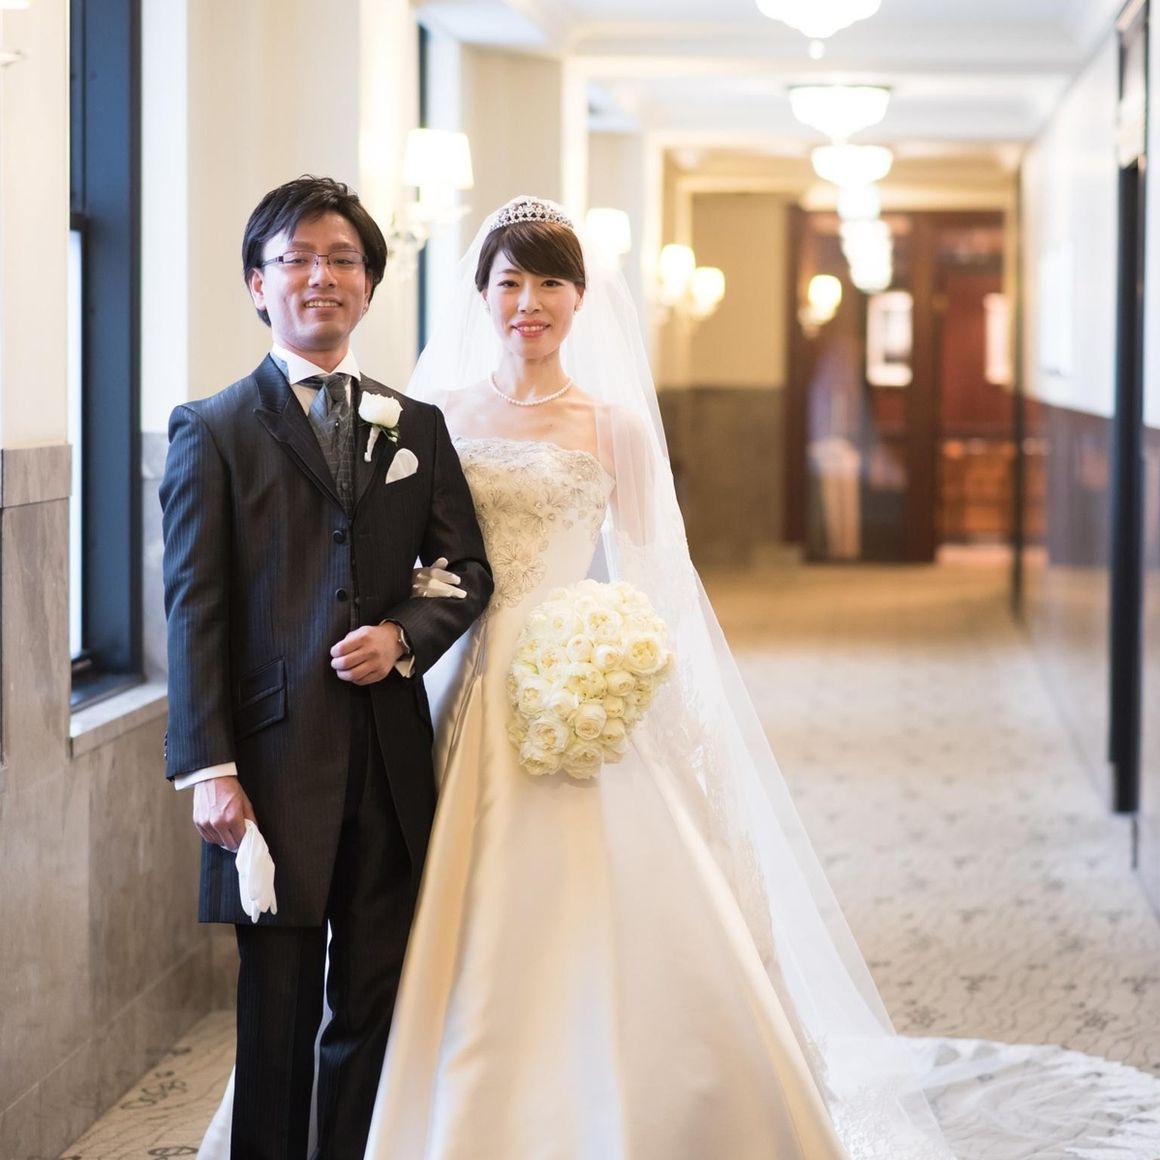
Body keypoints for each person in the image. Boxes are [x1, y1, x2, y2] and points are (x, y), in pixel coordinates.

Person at [200, 196, 1160, 1159]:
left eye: (550, 283)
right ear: (479, 294)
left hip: (572, 669)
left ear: (581, 300)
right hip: (447, 675)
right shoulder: (425, 415)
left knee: (606, 897)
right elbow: (404, 558)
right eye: (509, 282)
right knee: (407, 904)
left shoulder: (612, 425)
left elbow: (656, 574)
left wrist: (621, 657)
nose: (528, 302)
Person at [160, 174, 492, 1160]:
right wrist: (209, 768)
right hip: (271, 770)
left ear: (369, 285)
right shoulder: (212, 427)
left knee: (372, 1006)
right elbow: (195, 607)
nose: (321, 276)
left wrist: (404, 635)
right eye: (297, 258)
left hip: (389, 765)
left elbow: (466, 569)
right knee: (277, 1010)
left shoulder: (414, 426)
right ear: (258, 285)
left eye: (343, 259)